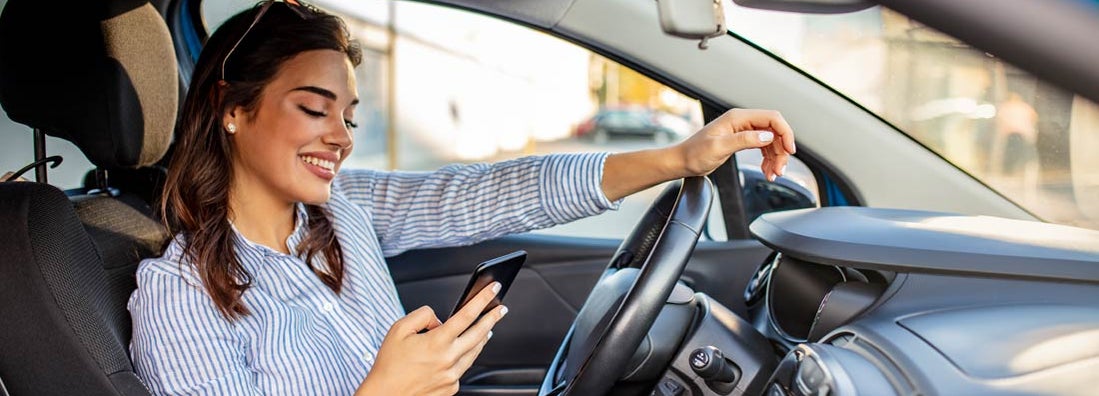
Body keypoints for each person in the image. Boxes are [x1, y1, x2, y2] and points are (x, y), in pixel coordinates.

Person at [126, 1, 796, 395]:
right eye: (312, 108)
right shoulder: (179, 294)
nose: (339, 137)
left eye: (349, 117)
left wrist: (679, 158)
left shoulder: (343, 211)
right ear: (231, 110)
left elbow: (490, 193)